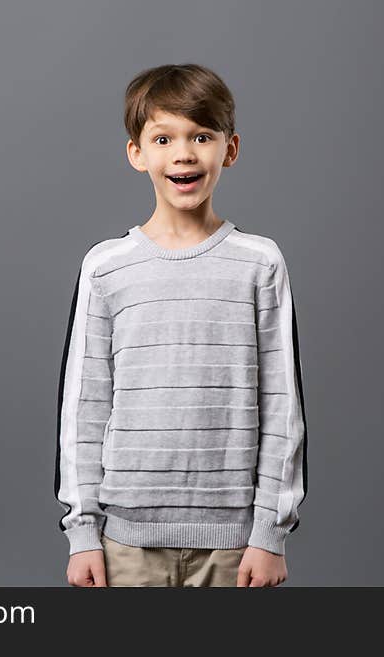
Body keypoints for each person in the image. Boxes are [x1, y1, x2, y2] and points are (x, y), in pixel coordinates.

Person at [54, 63, 308, 587]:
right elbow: (84, 407)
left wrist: (269, 534)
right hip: (125, 543)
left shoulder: (260, 263)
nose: (184, 153)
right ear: (137, 153)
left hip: (236, 547)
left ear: (229, 149)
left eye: (201, 136)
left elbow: (282, 405)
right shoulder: (106, 267)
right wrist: (83, 533)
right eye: (164, 137)